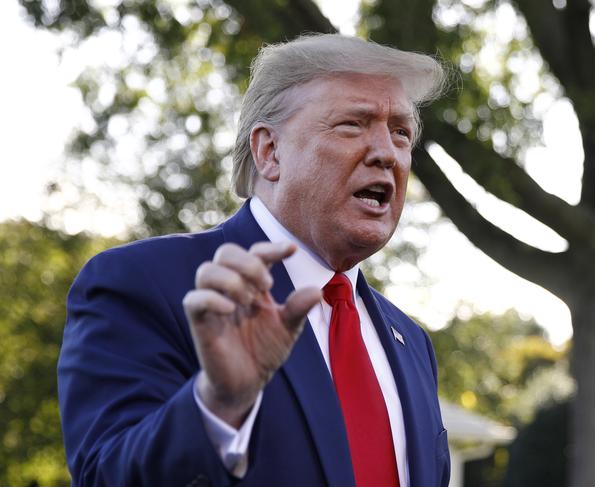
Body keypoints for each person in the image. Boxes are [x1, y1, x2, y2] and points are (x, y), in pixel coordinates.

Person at [58, 33, 450, 487]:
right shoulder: (145, 283)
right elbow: (105, 476)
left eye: (400, 132)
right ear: (269, 151)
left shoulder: (413, 342)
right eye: (353, 124)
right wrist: (218, 404)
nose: (386, 153)